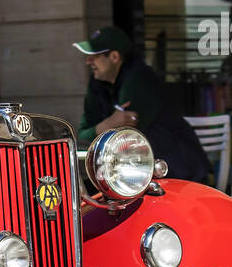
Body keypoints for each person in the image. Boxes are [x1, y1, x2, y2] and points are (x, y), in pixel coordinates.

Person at [73, 25, 211, 183]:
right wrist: (108, 124)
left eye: (94, 56)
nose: (88, 61)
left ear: (114, 57)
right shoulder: (97, 84)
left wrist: (102, 129)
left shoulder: (139, 78)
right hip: (135, 175)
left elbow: (124, 136)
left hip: (178, 174)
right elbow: (83, 135)